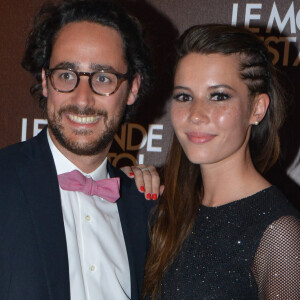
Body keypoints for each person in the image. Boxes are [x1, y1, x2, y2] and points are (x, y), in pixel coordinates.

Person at [0, 0, 159, 299]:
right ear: (46, 82)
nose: (82, 99)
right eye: (66, 75)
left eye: (102, 78)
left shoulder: (147, 209)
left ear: (132, 88)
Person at [142, 24, 300, 299]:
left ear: (257, 108)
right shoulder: (165, 207)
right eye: (184, 96)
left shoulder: (279, 233)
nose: (196, 114)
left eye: (218, 96)